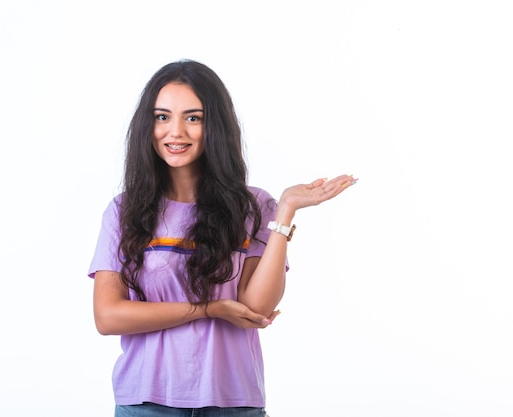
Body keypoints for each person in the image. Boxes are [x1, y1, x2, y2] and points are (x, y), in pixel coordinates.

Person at [88, 59, 356, 417]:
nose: (176, 131)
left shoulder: (256, 206)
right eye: (162, 117)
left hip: (234, 402)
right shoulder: (125, 210)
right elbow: (108, 316)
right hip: (147, 403)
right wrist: (209, 309)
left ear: (214, 126)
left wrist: (286, 210)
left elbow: (256, 308)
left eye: (193, 118)